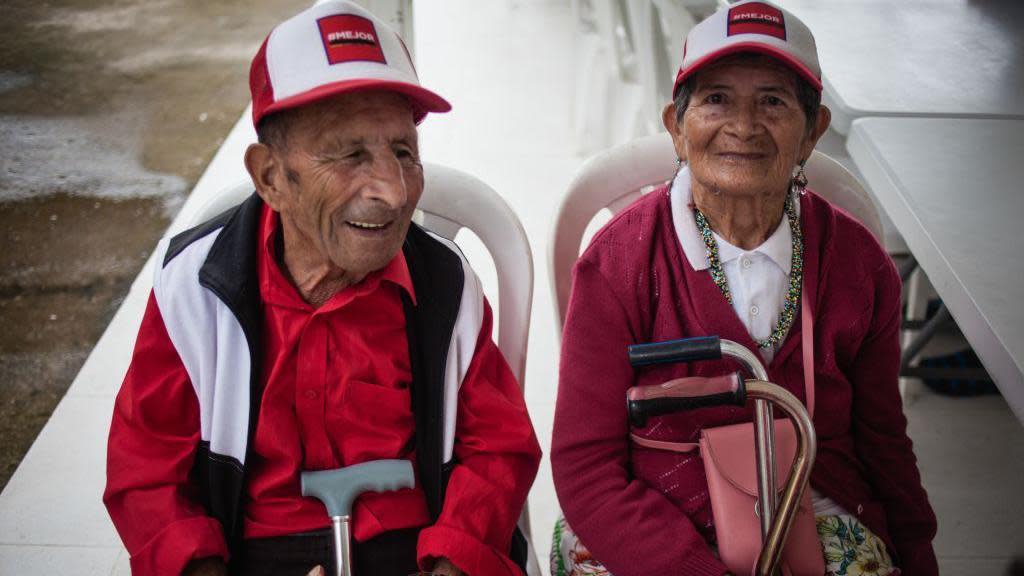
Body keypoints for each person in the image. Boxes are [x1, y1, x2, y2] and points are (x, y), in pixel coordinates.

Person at [103, 3, 541, 576]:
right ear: (270, 177)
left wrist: (451, 565)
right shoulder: (197, 287)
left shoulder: (445, 285)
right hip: (247, 552)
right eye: (350, 154)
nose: (391, 190)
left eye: (404, 151)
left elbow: (499, 449)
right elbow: (146, 468)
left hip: (415, 548)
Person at [550, 2, 937, 575]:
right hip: (655, 512)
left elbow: (883, 440)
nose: (744, 125)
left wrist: (920, 555)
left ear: (812, 134)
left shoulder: (860, 266)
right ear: (677, 129)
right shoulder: (616, 265)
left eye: (773, 101)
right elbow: (585, 465)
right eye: (716, 99)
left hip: (818, 507)